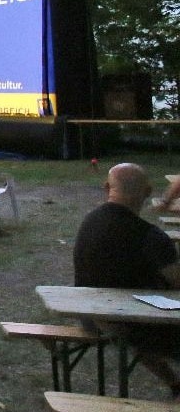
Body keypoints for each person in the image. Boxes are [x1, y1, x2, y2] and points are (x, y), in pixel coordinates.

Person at [73, 163, 180, 395]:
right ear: (148, 191)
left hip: (92, 317)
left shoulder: (89, 222)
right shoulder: (151, 237)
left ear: (106, 187)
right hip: (140, 327)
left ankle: (175, 383)